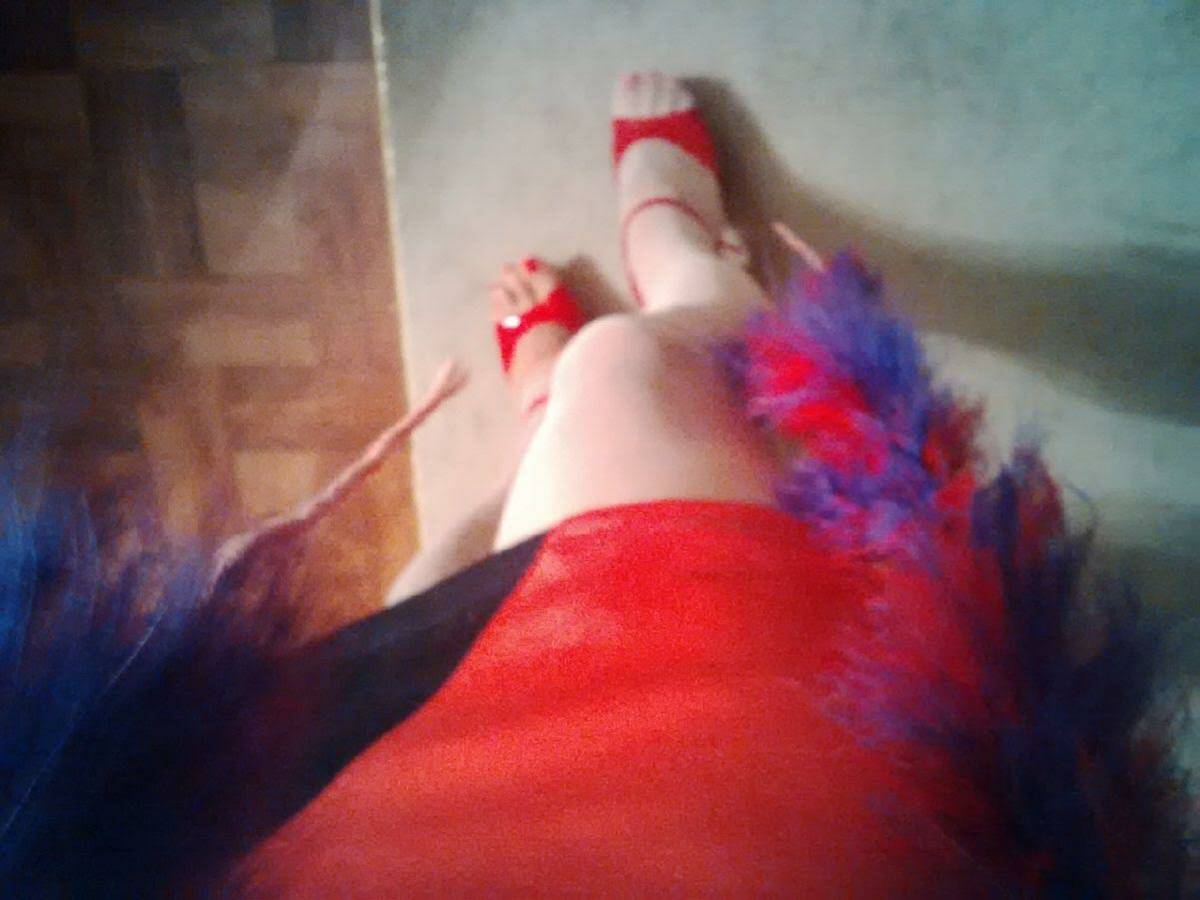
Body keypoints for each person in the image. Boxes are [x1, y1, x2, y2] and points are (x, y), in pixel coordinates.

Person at [1, 73, 1190, 896]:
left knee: (429, 603)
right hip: (746, 819)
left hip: (304, 826)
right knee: (629, 372)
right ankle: (686, 268)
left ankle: (541, 435)